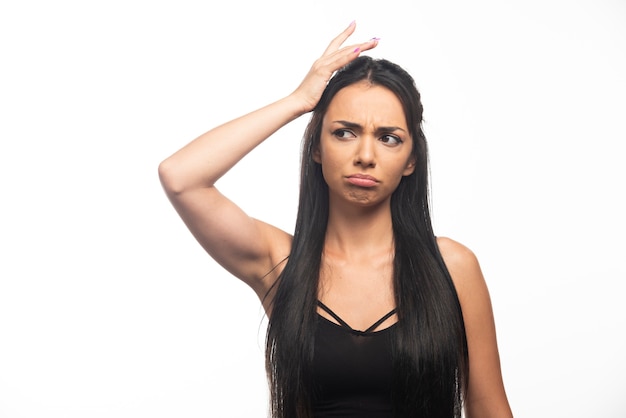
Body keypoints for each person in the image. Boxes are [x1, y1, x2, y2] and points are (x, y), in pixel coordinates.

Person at [158, 21, 513, 418]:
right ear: (316, 147)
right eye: (345, 132)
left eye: (389, 137)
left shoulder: (452, 266)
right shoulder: (280, 264)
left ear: (411, 159)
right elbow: (181, 178)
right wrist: (298, 100)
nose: (365, 154)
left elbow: (488, 407)